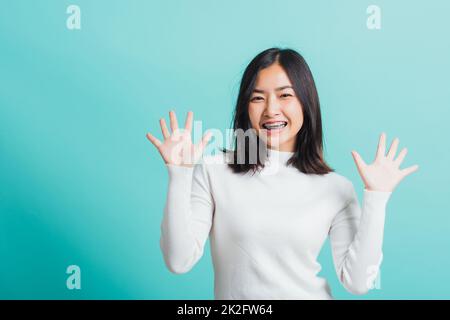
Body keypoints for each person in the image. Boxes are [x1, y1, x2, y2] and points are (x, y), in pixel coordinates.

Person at [146, 47, 419, 299]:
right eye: (257, 98)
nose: (271, 110)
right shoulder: (214, 171)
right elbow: (178, 260)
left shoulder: (336, 188)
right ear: (245, 107)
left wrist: (377, 198)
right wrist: (180, 175)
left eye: (285, 95)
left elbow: (358, 282)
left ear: (306, 102)